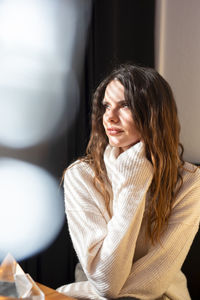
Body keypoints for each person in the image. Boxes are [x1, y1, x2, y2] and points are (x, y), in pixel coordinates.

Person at [57, 64, 200, 300]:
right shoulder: (81, 176)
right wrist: (133, 179)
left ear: (154, 113)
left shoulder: (189, 183)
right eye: (106, 106)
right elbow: (105, 282)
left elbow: (153, 281)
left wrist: (136, 173)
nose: (109, 117)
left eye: (125, 105)